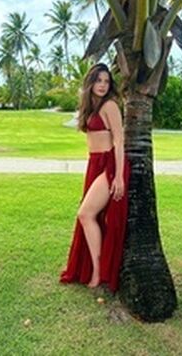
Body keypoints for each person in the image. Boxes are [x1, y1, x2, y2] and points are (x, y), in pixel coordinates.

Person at [60, 63, 130, 292]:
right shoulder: (91, 106)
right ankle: (93, 269)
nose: (102, 85)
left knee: (85, 214)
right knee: (91, 216)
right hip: (95, 163)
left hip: (110, 165)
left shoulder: (110, 105)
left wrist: (118, 176)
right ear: (90, 82)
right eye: (98, 80)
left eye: (106, 81)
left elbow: (119, 141)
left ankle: (99, 272)